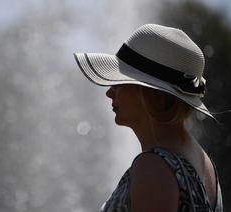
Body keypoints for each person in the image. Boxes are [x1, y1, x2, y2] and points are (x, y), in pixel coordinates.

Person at [73, 24, 223, 212]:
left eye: (119, 83)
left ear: (149, 93)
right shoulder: (204, 162)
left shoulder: (153, 167)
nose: (110, 93)